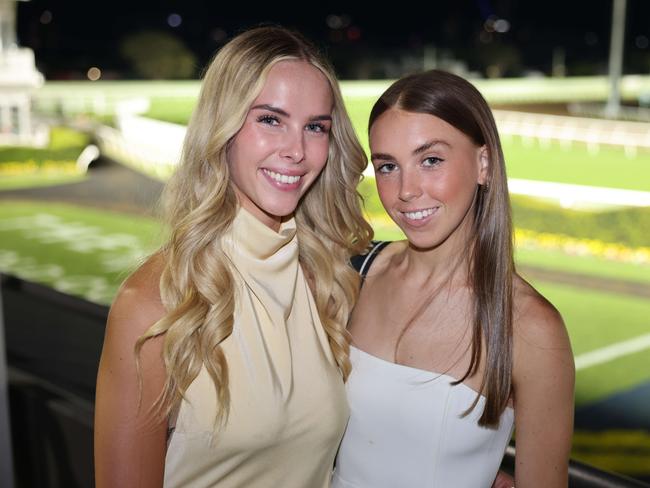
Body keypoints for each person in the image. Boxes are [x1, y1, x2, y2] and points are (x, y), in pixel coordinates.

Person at [94, 26, 372, 488]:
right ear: (223, 128)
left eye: (315, 127)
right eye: (270, 119)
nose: (296, 151)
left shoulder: (328, 281)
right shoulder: (153, 304)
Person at [332, 70, 575, 487]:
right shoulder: (353, 273)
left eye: (430, 160)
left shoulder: (531, 328)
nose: (406, 190)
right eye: (388, 166)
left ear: (484, 163)